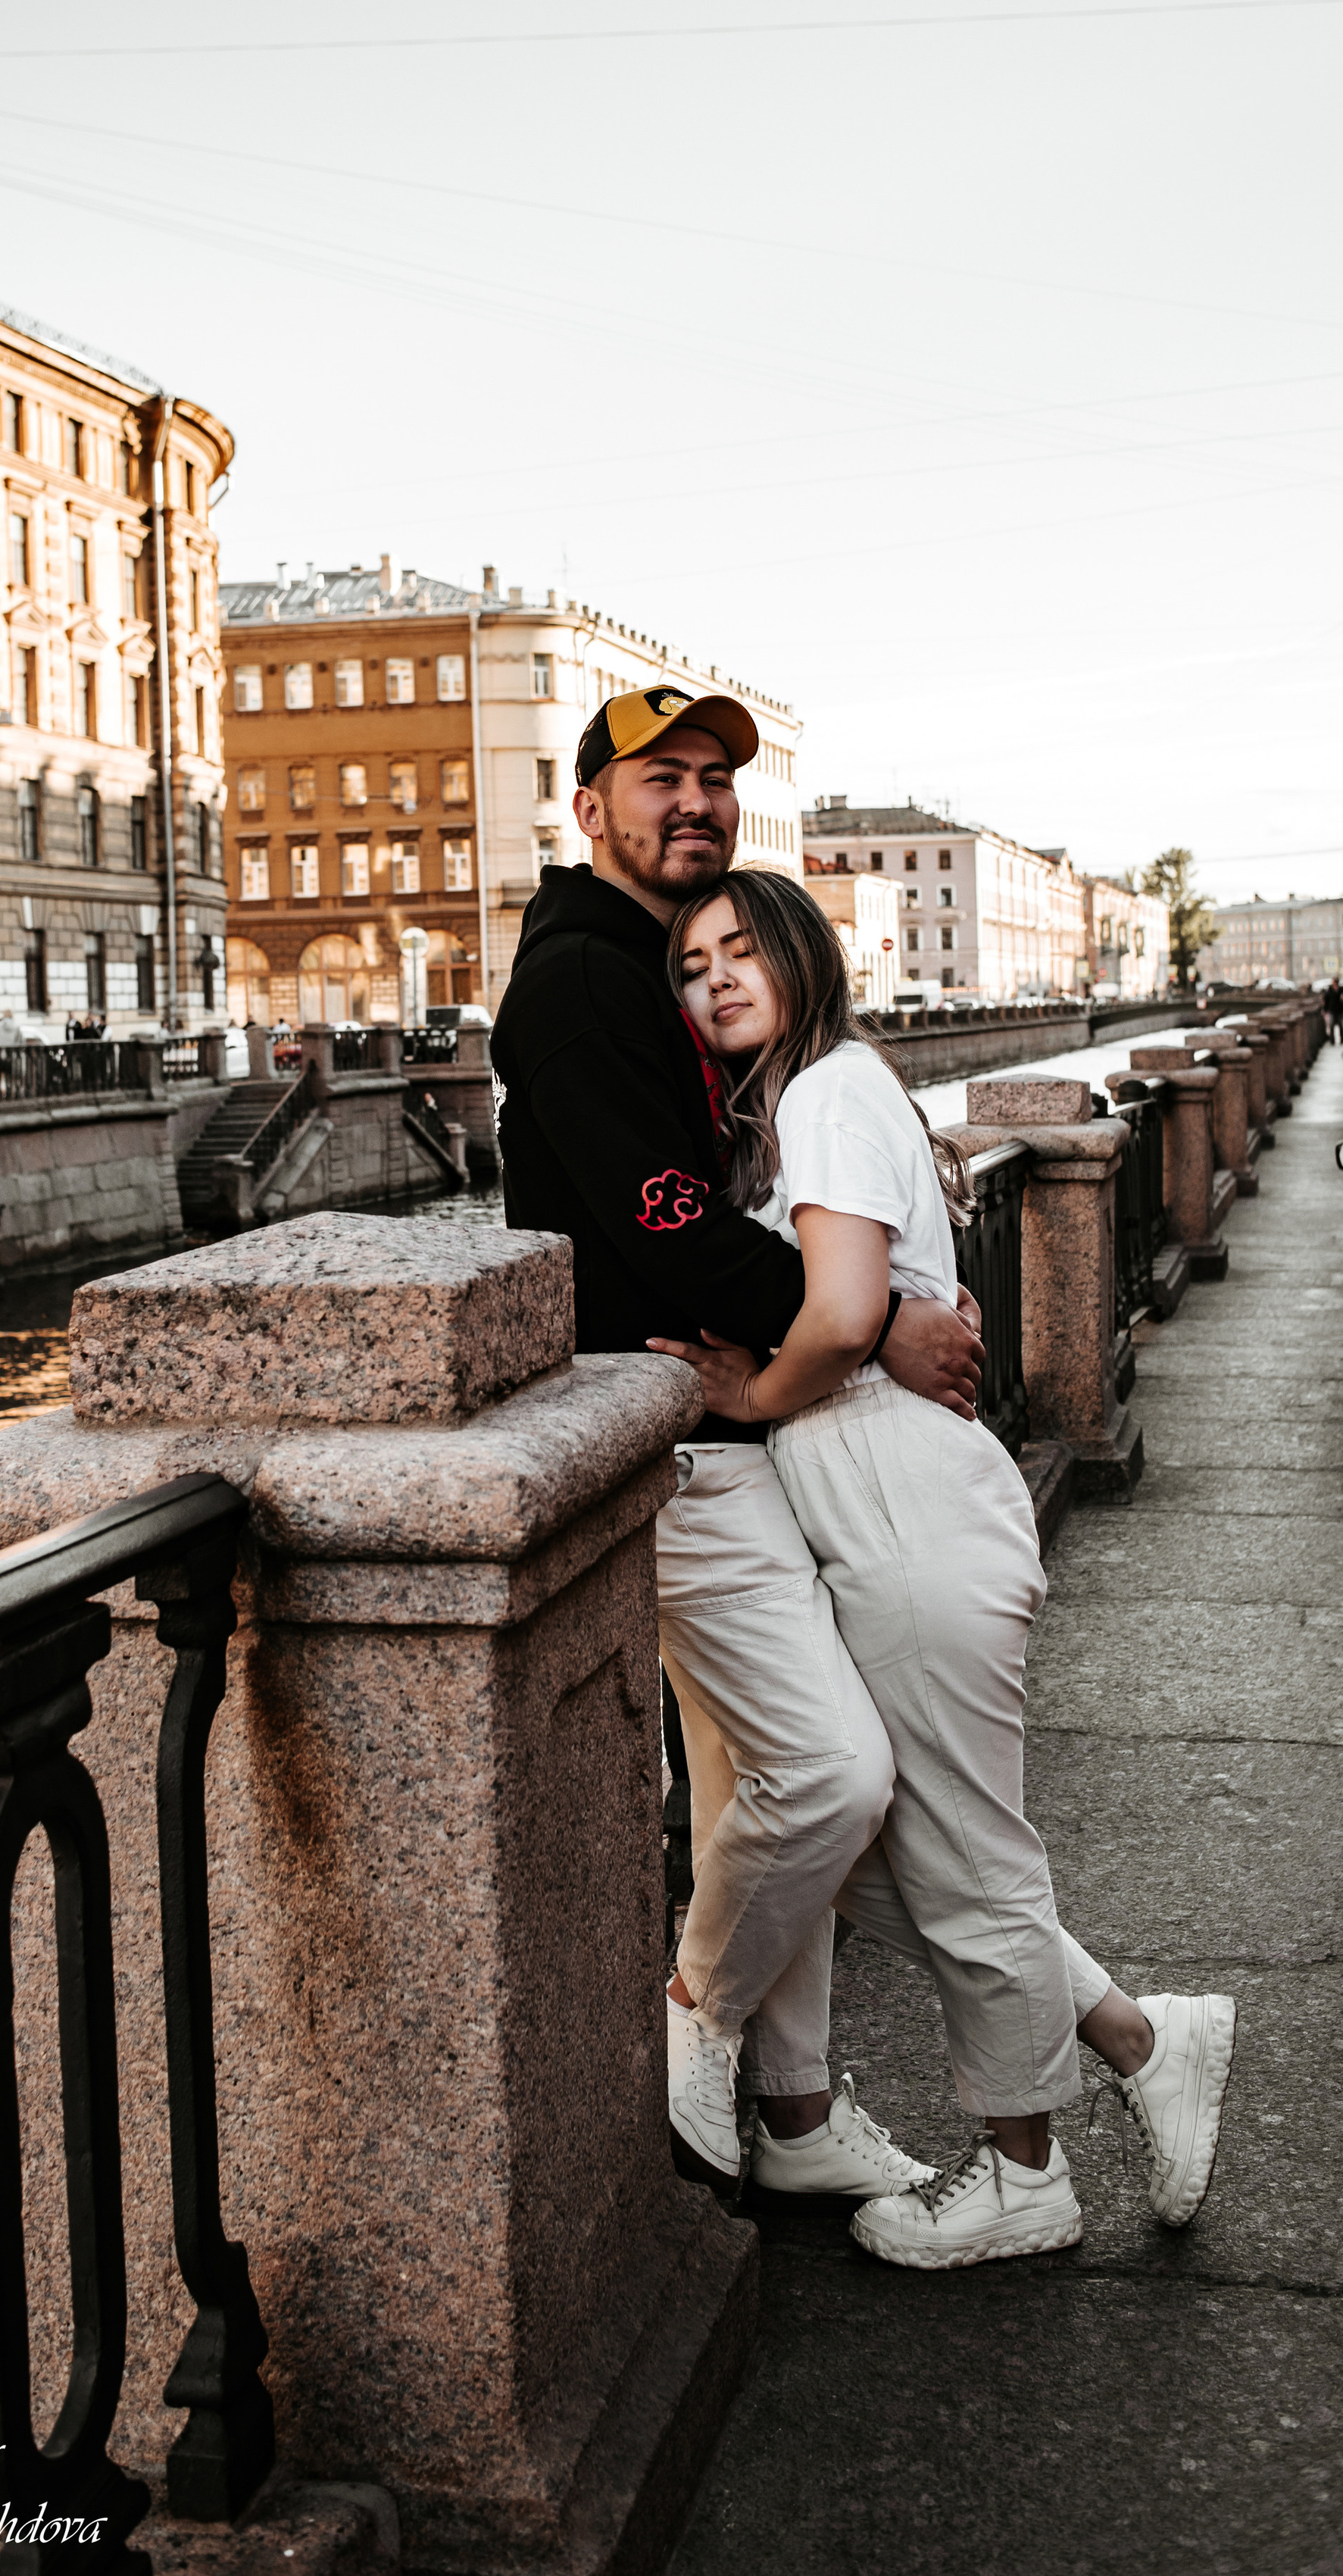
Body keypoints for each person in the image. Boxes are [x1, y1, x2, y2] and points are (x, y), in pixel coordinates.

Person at [650, 869, 1237, 2267]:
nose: (719, 977)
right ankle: (1138, 2037)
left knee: (970, 1860)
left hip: (904, 1499)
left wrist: (739, 1396)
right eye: (692, 964)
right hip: (889, 1500)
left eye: (744, 950)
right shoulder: (817, 1096)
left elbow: (847, 1310)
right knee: (879, 1855)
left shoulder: (825, 1091)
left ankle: (1028, 2177)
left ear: (803, 955)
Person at [494, 683, 984, 2203]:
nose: (692, 802)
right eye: (658, 779)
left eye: (711, 778)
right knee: (828, 1775)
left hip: (714, 1412)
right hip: (668, 1421)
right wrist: (869, 1314)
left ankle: (792, 2113)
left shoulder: (649, 966)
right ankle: (689, 2017)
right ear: (589, 811)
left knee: (744, 1784)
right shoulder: (579, 978)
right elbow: (655, 1207)